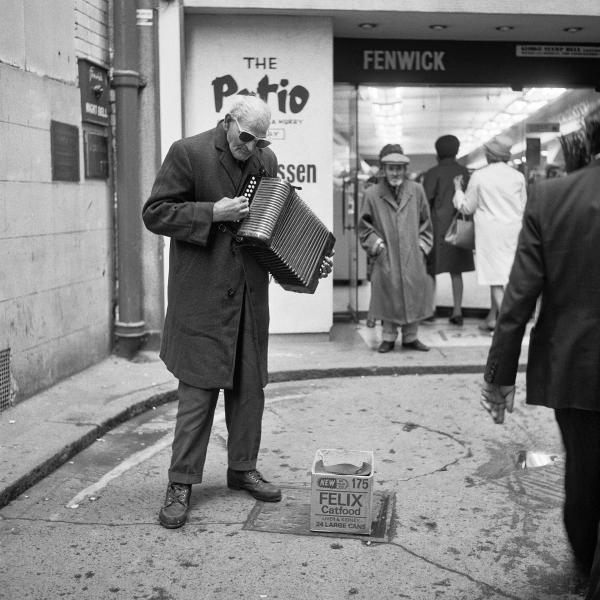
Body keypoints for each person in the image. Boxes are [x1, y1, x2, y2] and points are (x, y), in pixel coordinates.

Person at [142, 94, 332, 529]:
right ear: (227, 122)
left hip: (249, 296)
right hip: (202, 298)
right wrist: (212, 212)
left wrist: (306, 262)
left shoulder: (267, 161)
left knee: (250, 389)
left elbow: (275, 226)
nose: (252, 147)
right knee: (198, 394)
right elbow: (154, 213)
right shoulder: (187, 153)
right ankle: (181, 483)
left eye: (261, 141)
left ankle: (242, 467)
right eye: (247, 138)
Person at [480, 120, 600, 600]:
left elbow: (520, 296)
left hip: (577, 367)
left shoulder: (552, 198)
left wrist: (499, 376)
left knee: (585, 474)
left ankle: (586, 568)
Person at [358, 144, 433, 353]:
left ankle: (411, 337)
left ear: (405, 170)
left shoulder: (417, 190)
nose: (395, 172)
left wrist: (421, 248)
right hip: (386, 254)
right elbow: (364, 227)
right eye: (391, 168)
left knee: (413, 292)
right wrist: (378, 246)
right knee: (388, 294)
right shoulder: (372, 194)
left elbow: (426, 222)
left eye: (399, 168)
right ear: (384, 169)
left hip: (412, 254)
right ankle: (388, 338)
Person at [452, 135, 527, 332]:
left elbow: (466, 207)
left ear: (489, 156)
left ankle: (507, 326)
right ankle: (491, 319)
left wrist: (458, 190)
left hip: (490, 234)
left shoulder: (480, 176)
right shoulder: (518, 177)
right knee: (506, 276)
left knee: (495, 279)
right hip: (514, 232)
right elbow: (524, 205)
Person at [423, 135, 475, 326]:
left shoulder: (432, 173)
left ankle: (430, 310)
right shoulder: (464, 172)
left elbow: (425, 201)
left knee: (430, 270)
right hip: (458, 226)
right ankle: (457, 311)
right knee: (456, 270)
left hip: (436, 227)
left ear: (437, 152)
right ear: (457, 150)